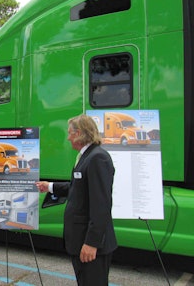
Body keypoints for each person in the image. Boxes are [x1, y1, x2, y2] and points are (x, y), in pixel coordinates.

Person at [36, 114, 117, 286]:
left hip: (90, 245)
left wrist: (91, 243)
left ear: (79, 133)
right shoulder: (87, 156)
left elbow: (101, 205)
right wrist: (49, 186)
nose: (68, 137)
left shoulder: (97, 158)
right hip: (80, 241)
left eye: (70, 133)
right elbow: (77, 188)